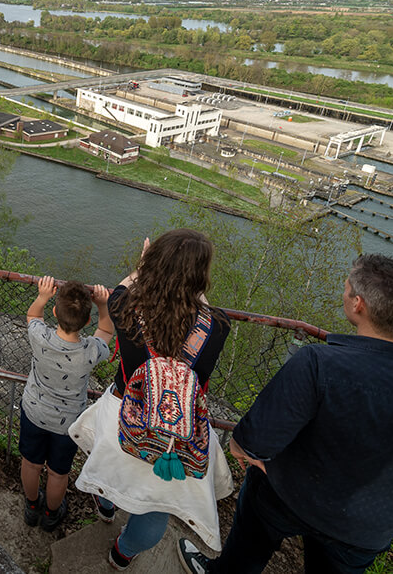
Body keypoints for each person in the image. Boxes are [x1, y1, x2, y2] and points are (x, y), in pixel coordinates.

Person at [176, 254, 393, 574]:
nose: (344, 293)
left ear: (358, 305)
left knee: (244, 555)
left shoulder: (320, 364)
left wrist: (256, 459)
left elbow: (247, 444)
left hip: (285, 495)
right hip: (368, 524)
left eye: (347, 289)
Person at [68, 228, 234, 570]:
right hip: (177, 439)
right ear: (202, 276)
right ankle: (122, 552)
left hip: (123, 420)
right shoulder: (217, 326)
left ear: (153, 263)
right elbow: (198, 307)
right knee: (157, 510)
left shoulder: (124, 306)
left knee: (109, 465)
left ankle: (107, 505)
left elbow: (124, 288)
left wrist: (143, 267)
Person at [19, 275, 114, 532]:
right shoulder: (90, 351)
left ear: (54, 311)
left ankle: (31, 507)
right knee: (58, 473)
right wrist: (103, 305)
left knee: (31, 463)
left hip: (34, 412)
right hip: (68, 423)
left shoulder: (40, 337)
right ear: (86, 321)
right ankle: (51, 514)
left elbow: (32, 317)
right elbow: (106, 330)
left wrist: (41, 297)